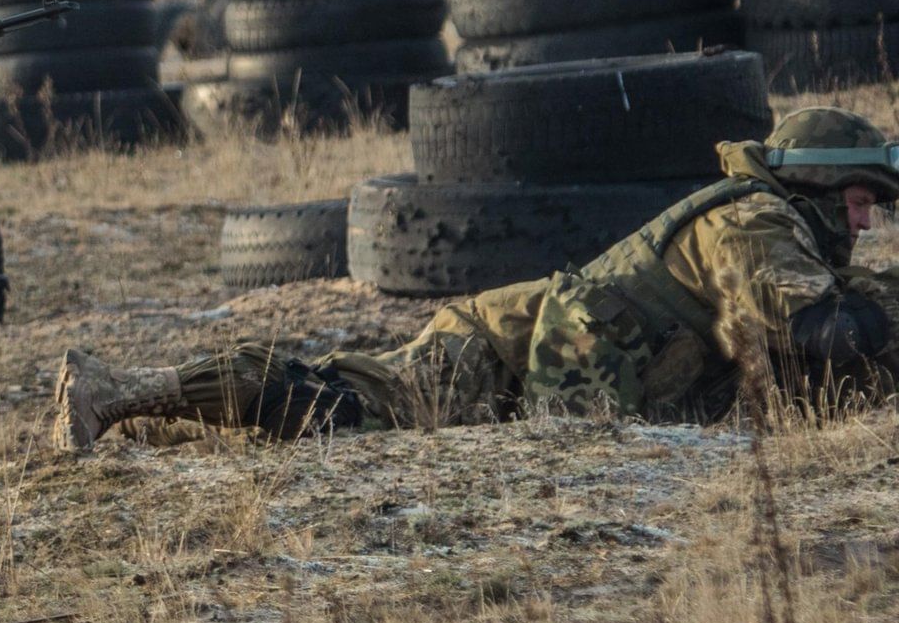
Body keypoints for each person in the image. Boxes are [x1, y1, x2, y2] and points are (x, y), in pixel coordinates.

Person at [52, 107, 899, 450]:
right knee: (338, 407)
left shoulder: (777, 227)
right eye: (861, 201)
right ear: (821, 185)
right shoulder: (756, 218)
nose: (864, 223)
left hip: (533, 372)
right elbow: (814, 331)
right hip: (495, 353)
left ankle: (160, 424)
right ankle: (120, 391)